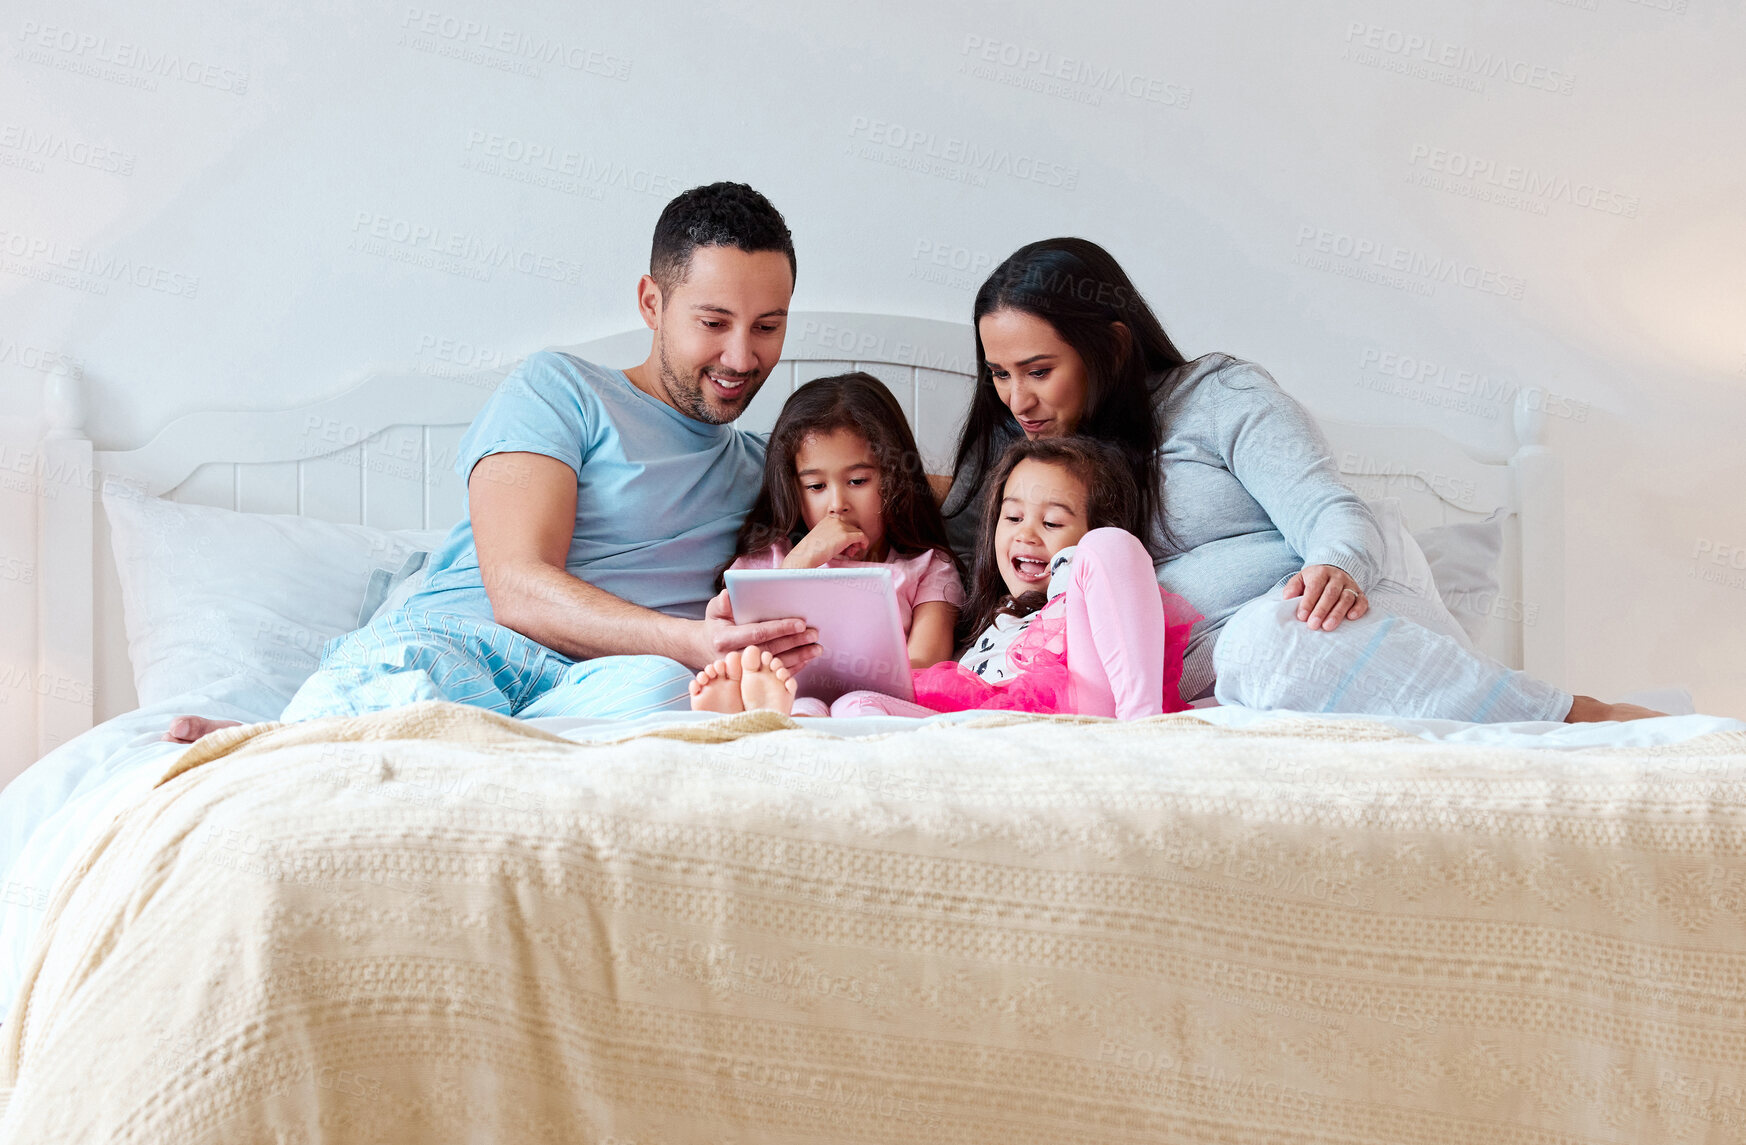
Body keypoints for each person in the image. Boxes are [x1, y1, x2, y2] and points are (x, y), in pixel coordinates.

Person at [164, 182, 821, 743]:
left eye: (767, 326)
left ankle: (328, 744)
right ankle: (302, 743)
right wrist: (685, 640)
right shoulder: (562, 391)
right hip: (471, 644)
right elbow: (516, 586)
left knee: (668, 697)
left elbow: (898, 490)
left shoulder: (770, 470)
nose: (741, 356)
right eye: (714, 323)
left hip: (612, 682)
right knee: (417, 692)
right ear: (652, 302)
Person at [935, 237, 1661, 724]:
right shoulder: (1031, 461)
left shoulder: (1219, 398)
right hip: (1209, 691)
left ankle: (1577, 719)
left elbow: (1331, 512)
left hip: (1324, 624)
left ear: (1113, 346)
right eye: (999, 374)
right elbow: (937, 551)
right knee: (1243, 668)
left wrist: (1335, 566)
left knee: (1264, 647)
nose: (1016, 400)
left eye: (1038, 371)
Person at [723, 436, 1198, 720]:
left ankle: (1144, 733)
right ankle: (784, 723)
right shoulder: (996, 619)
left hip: (1081, 708)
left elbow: (1109, 564)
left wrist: (1078, 560)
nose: (1027, 535)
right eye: (1011, 519)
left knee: (1109, 546)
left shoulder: (1088, 585)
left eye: (1052, 523)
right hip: (978, 725)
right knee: (852, 707)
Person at [688, 372, 964, 716]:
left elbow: (925, 666)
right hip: (796, 696)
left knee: (855, 705)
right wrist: (802, 559)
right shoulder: (767, 560)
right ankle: (762, 711)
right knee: (803, 705)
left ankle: (775, 717)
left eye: (858, 480)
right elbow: (736, 641)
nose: (837, 504)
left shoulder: (928, 567)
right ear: (793, 490)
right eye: (816, 487)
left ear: (895, 478)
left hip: (887, 705)